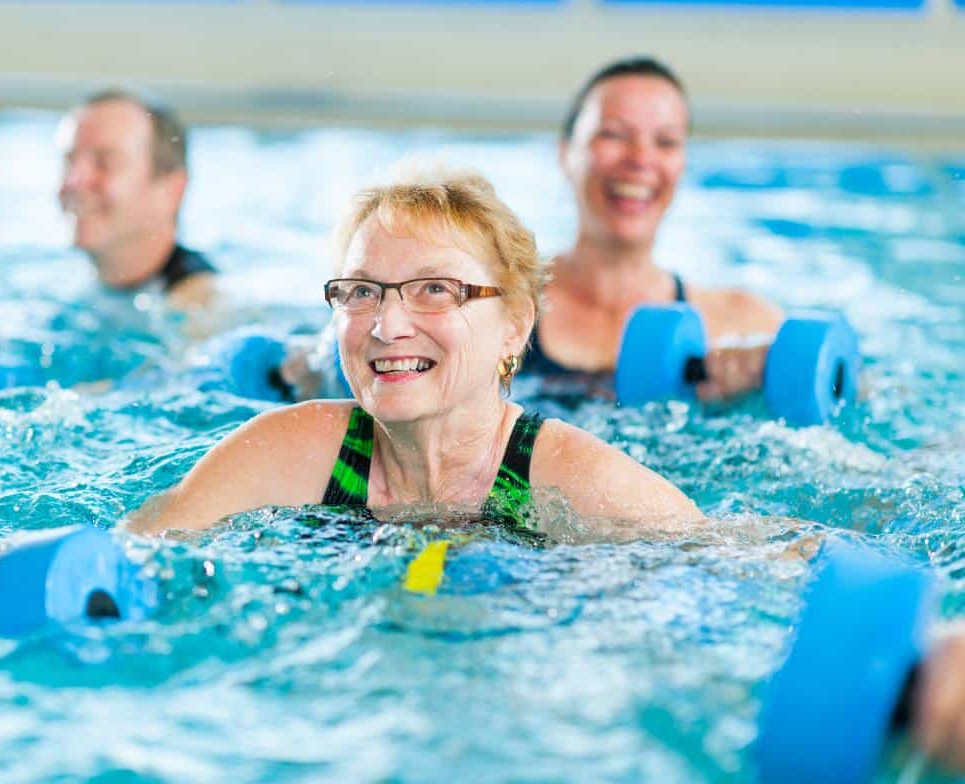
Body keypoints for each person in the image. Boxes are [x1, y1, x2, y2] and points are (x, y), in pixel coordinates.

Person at [125, 165, 704, 534]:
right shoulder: (285, 454)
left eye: (435, 289)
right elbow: (135, 553)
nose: (387, 324)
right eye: (361, 291)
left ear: (515, 325)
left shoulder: (577, 481)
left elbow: (745, 566)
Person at [523, 56, 784, 401]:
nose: (641, 159)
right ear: (565, 153)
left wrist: (765, 375)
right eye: (613, 134)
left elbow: (852, 391)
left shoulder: (743, 323)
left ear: (682, 164)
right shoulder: (500, 307)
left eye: (665, 142)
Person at [57, 89, 216, 307]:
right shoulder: (70, 284)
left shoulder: (203, 313)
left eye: (106, 163)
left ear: (172, 189)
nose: (73, 182)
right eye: (70, 160)